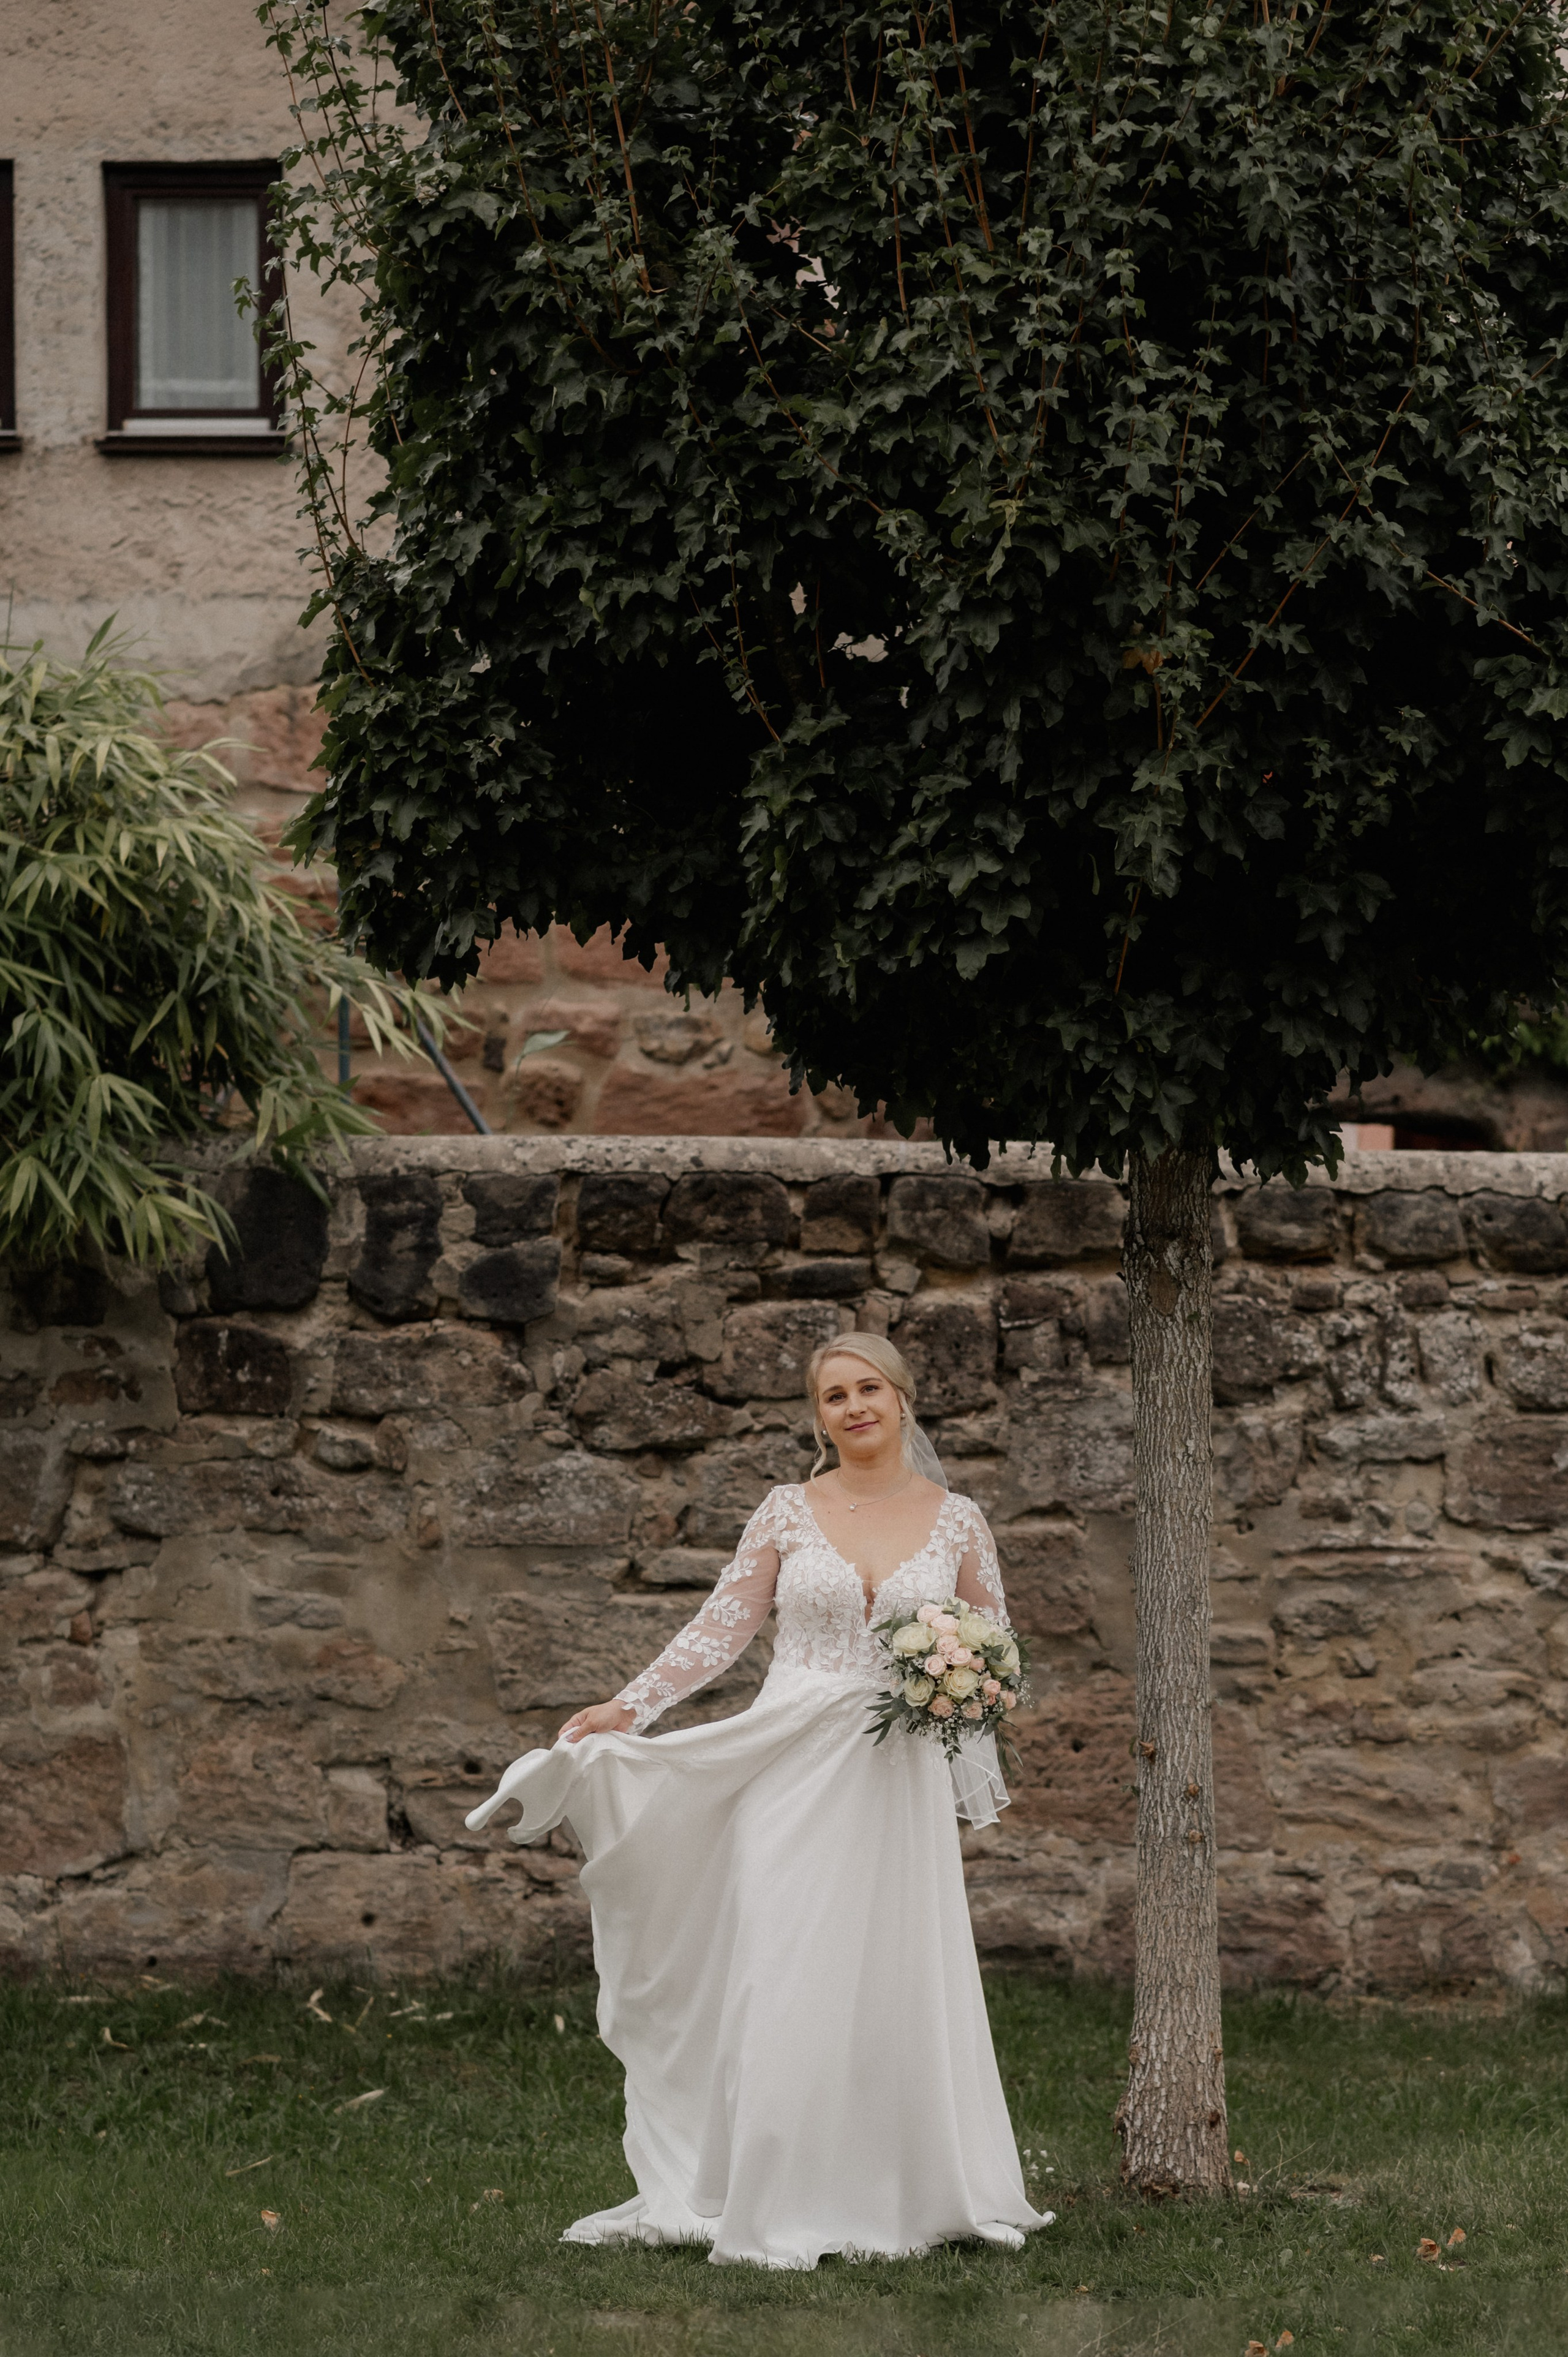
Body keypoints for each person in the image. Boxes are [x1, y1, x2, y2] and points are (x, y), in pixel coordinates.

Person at [466, 1332, 1051, 2268]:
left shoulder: (958, 1521)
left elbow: (998, 1651)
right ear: (818, 1417)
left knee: (889, 1970)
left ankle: (896, 2184)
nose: (854, 1407)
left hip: (893, 1775)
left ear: (902, 1399)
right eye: (834, 1396)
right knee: (778, 1962)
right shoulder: (786, 1510)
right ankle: (772, 2189)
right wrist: (630, 1707)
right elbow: (722, 1629)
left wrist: (959, 1688)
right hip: (788, 1755)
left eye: (868, 1389)